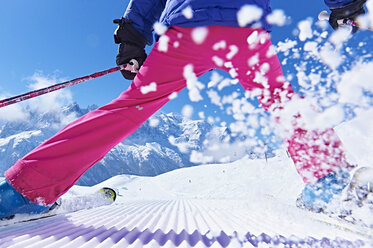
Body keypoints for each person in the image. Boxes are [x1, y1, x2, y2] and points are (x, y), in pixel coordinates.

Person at [0, 0, 367, 219]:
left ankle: (23, 190)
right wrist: (343, 5)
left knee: (130, 108)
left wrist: (132, 39)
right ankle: (329, 181)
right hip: (246, 30)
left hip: (187, 30)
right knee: (282, 100)